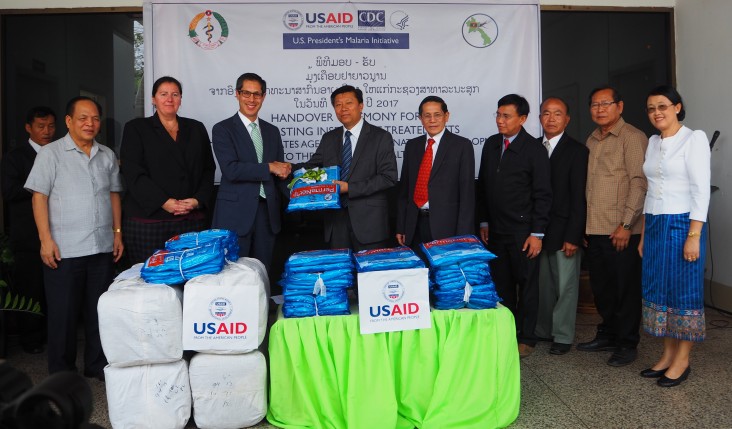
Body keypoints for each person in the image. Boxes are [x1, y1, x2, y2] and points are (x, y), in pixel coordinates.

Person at [24, 96, 124, 379]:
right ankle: (62, 373)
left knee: (98, 314)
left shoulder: (106, 154)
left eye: (94, 118)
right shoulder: (50, 154)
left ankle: (95, 365)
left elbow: (114, 194)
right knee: (63, 317)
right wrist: (45, 240)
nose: (90, 124)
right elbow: (39, 197)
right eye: (83, 118)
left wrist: (117, 233)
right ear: (69, 121)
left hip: (102, 246)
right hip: (64, 250)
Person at [638, 85, 710, 387]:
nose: (657, 113)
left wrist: (694, 234)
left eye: (663, 106)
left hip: (683, 224)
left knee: (683, 291)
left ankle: (683, 360)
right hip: (655, 224)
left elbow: (700, 190)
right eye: (652, 108)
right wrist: (643, 234)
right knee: (659, 291)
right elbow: (651, 190)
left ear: (677, 107)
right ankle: (667, 355)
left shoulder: (694, 139)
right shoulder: (653, 142)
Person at [477, 94, 552, 358]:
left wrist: (537, 233)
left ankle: (527, 337)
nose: (500, 120)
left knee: (528, 286)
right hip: (496, 231)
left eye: (506, 116)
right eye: (498, 114)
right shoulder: (491, 144)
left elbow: (543, 194)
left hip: (523, 232)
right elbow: (484, 187)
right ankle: (507, 332)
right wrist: (484, 221)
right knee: (502, 285)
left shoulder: (534, 150)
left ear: (522, 119)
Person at [579, 86, 648, 367]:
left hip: (621, 231)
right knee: (602, 288)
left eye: (606, 104)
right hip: (595, 229)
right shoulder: (592, 139)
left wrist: (626, 224)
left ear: (619, 106)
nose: (600, 109)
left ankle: (627, 343)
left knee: (625, 290)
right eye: (595, 104)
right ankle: (608, 333)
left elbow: (639, 183)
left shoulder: (632, 137)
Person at [120, 76, 216, 264]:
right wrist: (163, 201)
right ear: (153, 99)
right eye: (163, 94)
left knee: (191, 277)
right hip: (150, 221)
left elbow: (208, 169)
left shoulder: (196, 128)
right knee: (152, 281)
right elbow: (133, 173)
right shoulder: (136, 128)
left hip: (190, 218)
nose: (169, 99)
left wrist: (197, 201)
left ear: (181, 98)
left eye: (175, 94)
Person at [211, 73, 291, 276]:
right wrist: (269, 168)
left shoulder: (272, 131)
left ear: (263, 97)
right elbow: (231, 169)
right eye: (246, 93)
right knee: (234, 275)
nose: (252, 99)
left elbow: (280, 173)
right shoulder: (223, 129)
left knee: (263, 273)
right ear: (237, 94)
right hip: (236, 215)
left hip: (267, 213)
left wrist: (306, 192)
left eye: (257, 94)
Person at [301, 85, 397, 251]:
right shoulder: (329, 138)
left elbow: (388, 178)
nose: (343, 109)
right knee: (340, 275)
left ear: (361, 106)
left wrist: (349, 188)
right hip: (336, 223)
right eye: (338, 105)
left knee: (370, 276)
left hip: (370, 224)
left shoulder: (381, 137)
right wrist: (288, 168)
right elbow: (312, 168)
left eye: (348, 103)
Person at [533, 97, 589, 355]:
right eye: (546, 113)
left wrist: (574, 235)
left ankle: (563, 336)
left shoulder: (577, 151)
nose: (551, 118)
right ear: (540, 118)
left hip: (565, 229)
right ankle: (543, 330)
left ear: (567, 119)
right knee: (543, 285)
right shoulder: (532, 148)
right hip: (537, 230)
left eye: (558, 114)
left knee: (566, 286)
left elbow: (579, 196)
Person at [1, 106, 56, 354]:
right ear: (28, 128)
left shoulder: (58, 153)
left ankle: (52, 334)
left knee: (53, 288)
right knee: (30, 289)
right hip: (27, 236)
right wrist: (38, 186)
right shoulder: (15, 157)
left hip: (57, 233)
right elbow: (9, 192)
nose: (46, 131)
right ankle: (31, 341)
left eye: (51, 126)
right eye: (40, 126)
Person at [396, 96, 474, 256]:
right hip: (414, 225)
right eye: (427, 115)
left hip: (447, 228)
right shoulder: (412, 146)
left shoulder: (462, 146)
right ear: (420, 118)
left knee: (445, 278)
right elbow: (404, 190)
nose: (432, 120)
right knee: (419, 276)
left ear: (447, 116)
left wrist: (463, 235)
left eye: (437, 115)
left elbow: (467, 195)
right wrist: (401, 226)